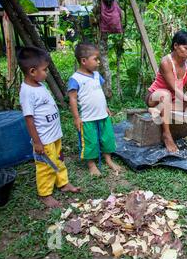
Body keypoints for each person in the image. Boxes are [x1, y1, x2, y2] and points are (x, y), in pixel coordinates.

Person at [18, 47, 81, 208]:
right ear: (32, 71)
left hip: (54, 135)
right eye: (44, 70)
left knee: (59, 160)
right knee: (46, 166)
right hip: (43, 139)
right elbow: (29, 120)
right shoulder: (27, 92)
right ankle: (45, 194)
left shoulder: (39, 85)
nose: (47, 73)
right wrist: (37, 142)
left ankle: (63, 183)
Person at [68, 43, 123, 176]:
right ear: (83, 61)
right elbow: (73, 99)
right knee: (90, 141)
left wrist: (106, 107)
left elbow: (99, 93)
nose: (98, 62)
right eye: (95, 59)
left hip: (102, 115)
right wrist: (76, 118)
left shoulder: (97, 75)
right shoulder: (75, 79)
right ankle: (91, 164)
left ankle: (108, 159)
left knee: (107, 138)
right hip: (87, 118)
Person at [146, 30, 187, 152]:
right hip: (155, 96)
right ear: (176, 46)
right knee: (166, 95)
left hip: (172, 100)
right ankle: (166, 135)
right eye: (186, 48)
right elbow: (174, 88)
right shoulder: (166, 62)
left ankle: (157, 110)